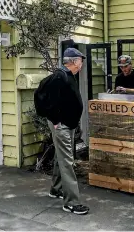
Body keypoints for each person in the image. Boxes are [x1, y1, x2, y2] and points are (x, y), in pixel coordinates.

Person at [46, 48, 89, 215]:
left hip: (67, 124)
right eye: (81, 61)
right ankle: (71, 202)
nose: (82, 64)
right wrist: (56, 122)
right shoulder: (60, 77)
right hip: (62, 125)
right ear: (74, 61)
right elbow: (48, 102)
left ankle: (56, 189)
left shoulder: (68, 76)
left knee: (61, 156)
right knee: (67, 161)